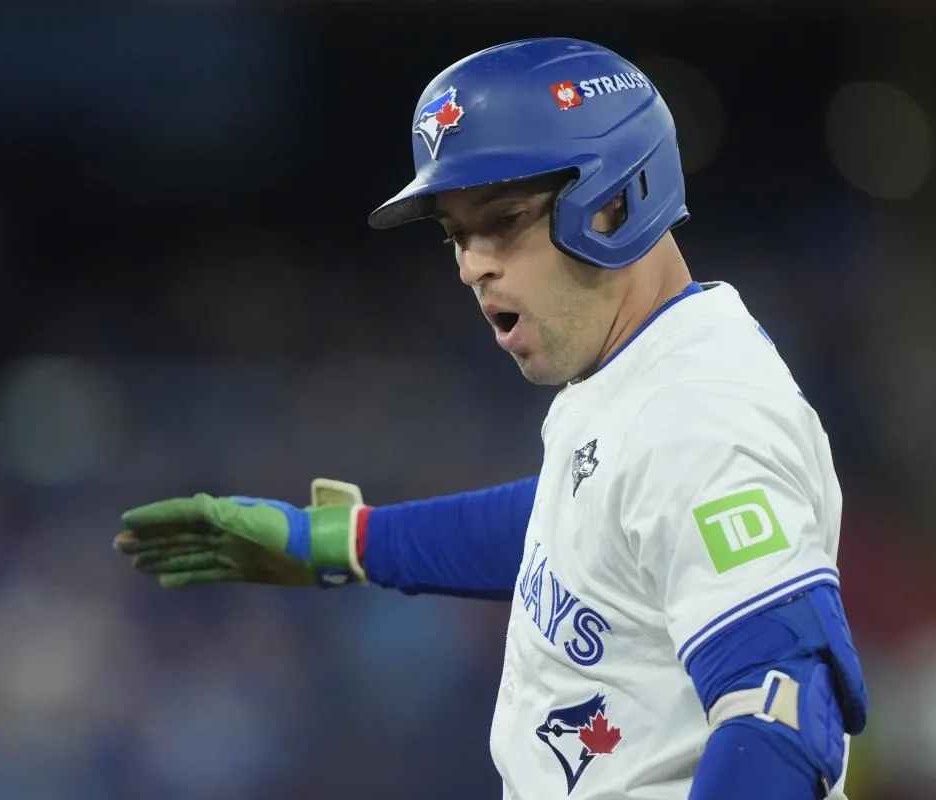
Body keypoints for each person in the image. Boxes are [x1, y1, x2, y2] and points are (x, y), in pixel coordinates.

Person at [114, 37, 868, 800]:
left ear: (617, 199)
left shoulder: (700, 417)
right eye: (456, 235)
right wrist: (343, 542)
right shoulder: (634, 365)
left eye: (503, 222)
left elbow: (783, 705)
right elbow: (575, 527)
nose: (472, 265)